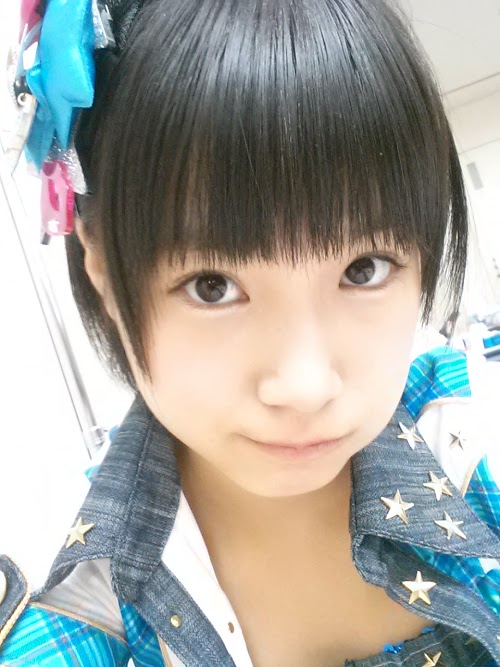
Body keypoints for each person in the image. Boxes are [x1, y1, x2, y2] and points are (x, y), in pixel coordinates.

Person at [1, 0, 499, 665]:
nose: (304, 384)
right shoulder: (63, 608)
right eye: (212, 285)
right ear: (103, 268)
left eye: (364, 269)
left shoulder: (469, 439)